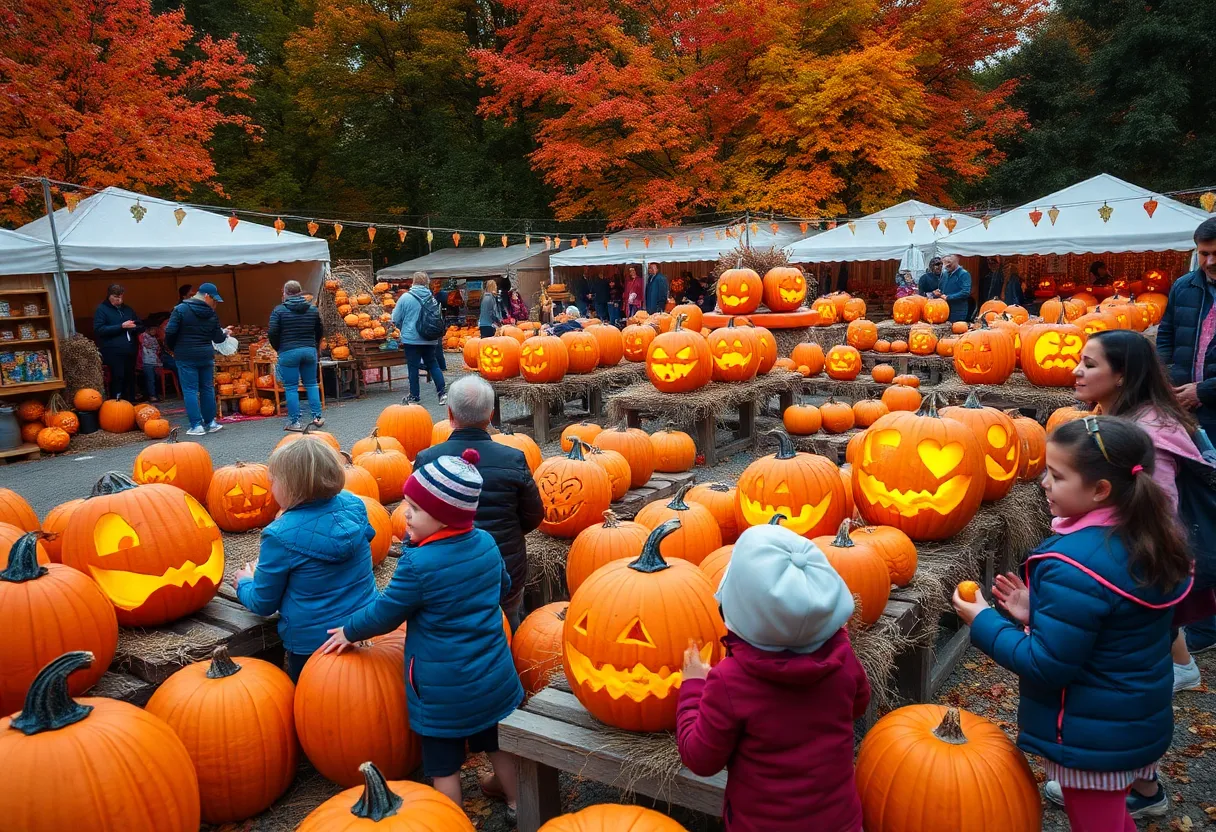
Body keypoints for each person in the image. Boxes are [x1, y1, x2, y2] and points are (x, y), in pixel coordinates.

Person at [954, 417, 1191, 832]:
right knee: (1112, 817)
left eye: (1057, 476)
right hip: (1132, 720)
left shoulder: (1074, 566)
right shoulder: (1148, 538)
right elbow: (1118, 629)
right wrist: (1041, 611)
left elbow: (1046, 664)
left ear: (1100, 490)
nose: (1044, 483)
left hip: (1090, 737)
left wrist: (983, 621)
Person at [320, 450, 524, 819]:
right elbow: (503, 587)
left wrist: (351, 629)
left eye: (415, 508)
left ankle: (451, 820)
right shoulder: (486, 543)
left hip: (443, 691)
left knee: (443, 765)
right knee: (497, 743)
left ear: (444, 517)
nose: (406, 514)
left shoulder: (418, 565)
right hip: (493, 676)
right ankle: (516, 803)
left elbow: (386, 613)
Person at [1064, 329, 1215, 815]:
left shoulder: (1146, 434)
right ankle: (1145, 788)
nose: (1076, 371)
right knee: (1138, 681)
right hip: (1139, 573)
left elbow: (1157, 515)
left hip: (1142, 576)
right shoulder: (1127, 418)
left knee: (1122, 685)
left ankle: (1110, 785)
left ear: (1122, 375)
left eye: (1089, 364)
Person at [677, 521, 870, 831]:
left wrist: (693, 687)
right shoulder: (842, 658)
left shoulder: (730, 681)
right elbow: (859, 703)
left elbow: (701, 758)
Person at [231, 440, 377, 682]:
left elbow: (263, 603)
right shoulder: (354, 504)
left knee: (312, 697)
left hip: (314, 644)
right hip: (366, 624)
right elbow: (368, 536)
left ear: (290, 487)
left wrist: (244, 583)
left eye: (273, 481)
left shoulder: (278, 535)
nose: (270, 486)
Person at [414, 376, 543, 630]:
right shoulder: (514, 459)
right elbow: (534, 516)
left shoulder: (427, 460)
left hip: (446, 573)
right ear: (491, 415)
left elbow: (418, 521)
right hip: (504, 571)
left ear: (450, 414)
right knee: (507, 621)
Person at [1157, 217, 1216, 442]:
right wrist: (1164, 378)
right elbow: (1166, 336)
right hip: (1183, 404)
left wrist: (1203, 391)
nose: (1210, 261)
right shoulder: (1183, 286)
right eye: (1204, 253)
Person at [165, 282, 229, 436]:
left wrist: (174, 348)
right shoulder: (211, 313)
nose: (215, 304)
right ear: (206, 296)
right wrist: (225, 333)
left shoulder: (180, 309)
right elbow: (218, 338)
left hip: (185, 355)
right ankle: (211, 422)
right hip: (206, 354)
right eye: (214, 300)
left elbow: (170, 332)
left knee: (190, 390)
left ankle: (196, 425)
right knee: (207, 388)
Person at [269, 280, 324, 431]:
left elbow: (272, 332)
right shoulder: (312, 310)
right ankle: (317, 417)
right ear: (300, 292)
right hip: (309, 350)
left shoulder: (279, 311)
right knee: (311, 384)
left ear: (285, 293)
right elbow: (319, 330)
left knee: (291, 387)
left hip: (288, 351)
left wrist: (279, 348)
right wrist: (313, 345)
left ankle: (295, 422)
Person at [392, 271, 446, 405]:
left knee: (413, 367)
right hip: (430, 337)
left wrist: (403, 327)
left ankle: (415, 396)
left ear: (413, 282)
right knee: (433, 364)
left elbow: (395, 318)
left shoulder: (406, 298)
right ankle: (442, 393)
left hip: (411, 339)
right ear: (427, 283)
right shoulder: (432, 298)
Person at [93, 284, 144, 402]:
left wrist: (135, 327)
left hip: (130, 349)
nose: (119, 300)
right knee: (118, 376)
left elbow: (140, 324)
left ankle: (131, 402)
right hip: (112, 350)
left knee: (130, 377)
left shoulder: (127, 309)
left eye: (121, 297)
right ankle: (116, 402)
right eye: (116, 297)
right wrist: (121, 326)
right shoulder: (102, 310)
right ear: (109, 296)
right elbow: (99, 330)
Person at [934, 253, 972, 322]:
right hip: (944, 309)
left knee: (956, 327)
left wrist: (949, 297)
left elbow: (965, 292)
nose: (946, 266)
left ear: (957, 260)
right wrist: (938, 293)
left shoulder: (964, 274)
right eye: (944, 264)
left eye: (949, 263)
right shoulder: (945, 274)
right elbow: (942, 290)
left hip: (958, 312)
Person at [137, 327, 161, 403]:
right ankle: (152, 395)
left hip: (155, 360)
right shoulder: (142, 336)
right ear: (148, 329)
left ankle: (155, 394)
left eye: (155, 329)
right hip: (146, 360)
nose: (154, 331)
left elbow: (157, 349)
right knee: (150, 378)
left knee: (155, 378)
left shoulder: (154, 338)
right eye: (152, 329)